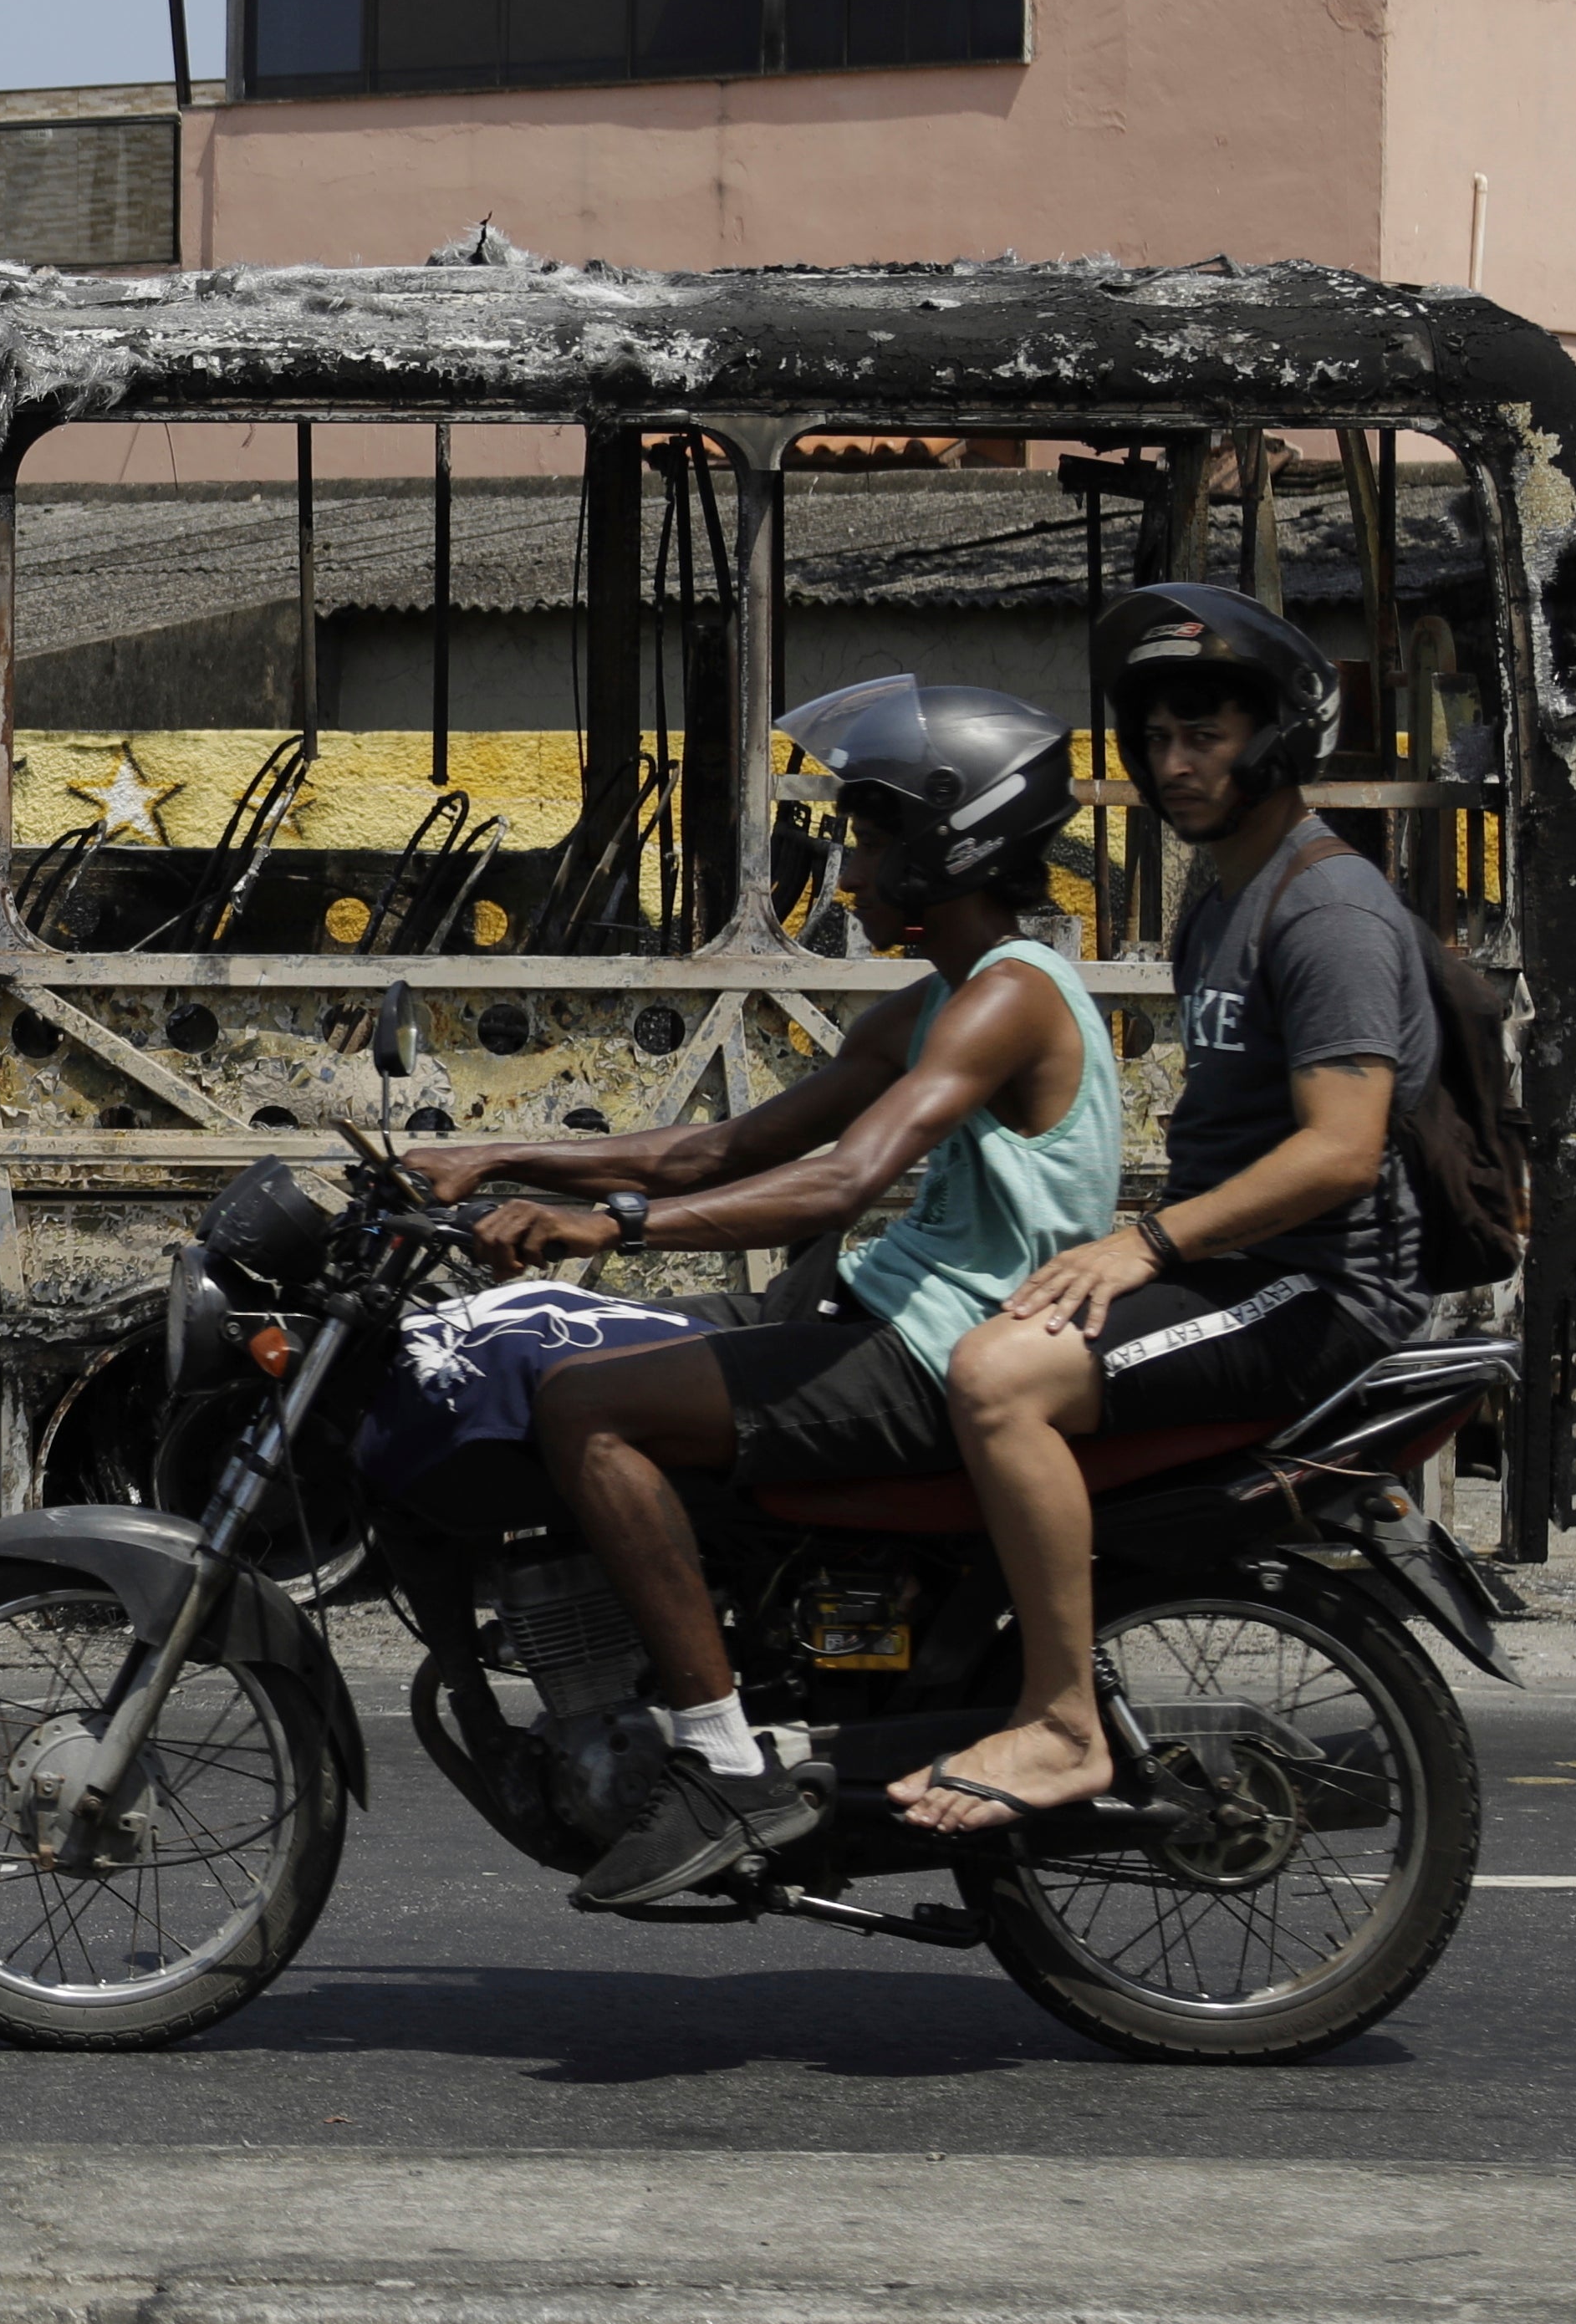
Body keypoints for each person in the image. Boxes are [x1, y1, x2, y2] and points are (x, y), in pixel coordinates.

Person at [387, 675, 1124, 1915]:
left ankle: (722, 1758)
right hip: (869, 1314)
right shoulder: (936, 1002)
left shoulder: (1011, 995)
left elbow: (841, 1181)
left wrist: (601, 1227)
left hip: (947, 1347)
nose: (855, 863)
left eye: (878, 835)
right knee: (585, 1359)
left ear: (956, 839)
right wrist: (496, 1157)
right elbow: (718, 1152)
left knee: (588, 1410)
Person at [890, 583, 1435, 1842]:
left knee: (996, 1378)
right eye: (1157, 739)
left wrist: (1142, 1244)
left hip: (1319, 1286)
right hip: (1238, 1263)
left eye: (1210, 734)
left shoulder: (1329, 910)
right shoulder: (1218, 897)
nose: (1174, 764)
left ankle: (1066, 1724)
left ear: (1281, 737)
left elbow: (1344, 1152)